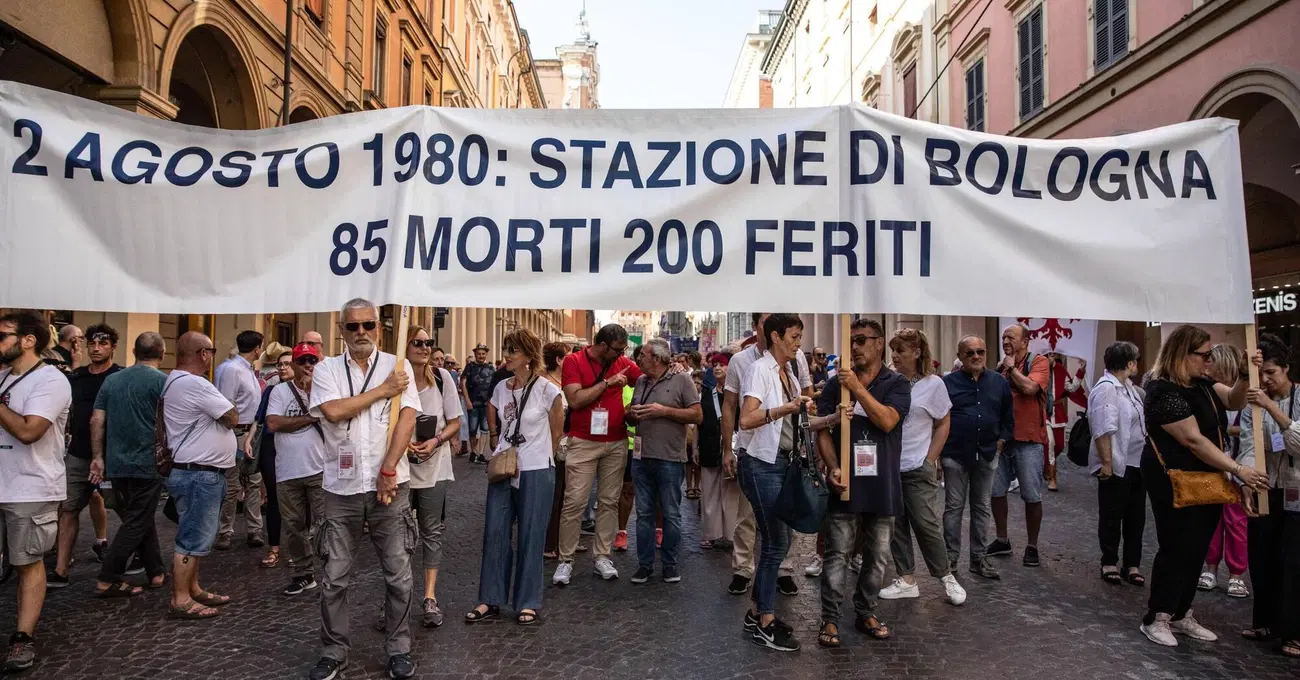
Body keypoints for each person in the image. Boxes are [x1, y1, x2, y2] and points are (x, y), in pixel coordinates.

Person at [306, 298, 421, 680]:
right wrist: (383, 390)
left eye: (368, 325)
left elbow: (407, 419)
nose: (361, 332)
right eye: (353, 326)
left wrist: (388, 467)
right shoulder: (327, 369)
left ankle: (399, 648)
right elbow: (333, 411)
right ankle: (333, 651)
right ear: (341, 330)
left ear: (378, 328)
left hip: (390, 486)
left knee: (398, 575)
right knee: (334, 578)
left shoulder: (397, 365)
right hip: (341, 490)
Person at [1138, 324, 1267, 648]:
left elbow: (1234, 400)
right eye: (1204, 355)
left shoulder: (1203, 384)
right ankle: (1158, 616)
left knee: (1197, 546)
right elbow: (1193, 440)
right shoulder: (1163, 390)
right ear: (1183, 354)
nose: (1210, 361)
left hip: (1207, 478)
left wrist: (1244, 375)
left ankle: (1181, 613)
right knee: (1176, 545)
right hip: (1174, 478)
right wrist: (1238, 469)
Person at [814, 318, 911, 648]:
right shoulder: (834, 385)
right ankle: (830, 617)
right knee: (837, 553)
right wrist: (832, 467)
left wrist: (856, 388)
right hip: (846, 483)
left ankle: (866, 611)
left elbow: (887, 421)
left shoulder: (897, 383)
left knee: (877, 556)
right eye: (850, 341)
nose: (854, 347)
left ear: (878, 343)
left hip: (882, 483)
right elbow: (821, 429)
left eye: (861, 340)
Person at [465, 329, 563, 626]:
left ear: (529, 356)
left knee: (531, 536)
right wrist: (496, 438)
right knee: (495, 531)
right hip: (504, 467)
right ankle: (490, 598)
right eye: (505, 348)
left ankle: (527, 601)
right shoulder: (501, 388)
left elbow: (556, 432)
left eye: (512, 350)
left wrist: (538, 456)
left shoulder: (548, 390)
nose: (506, 355)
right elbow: (496, 414)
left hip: (536, 469)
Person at [0, 312, 72, 673]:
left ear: (28, 340)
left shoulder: (51, 380)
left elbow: (29, 431)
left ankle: (22, 638)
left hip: (30, 486)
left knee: (26, 562)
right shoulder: (2, 376)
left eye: (2, 335)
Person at [736, 313, 812, 652]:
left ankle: (757, 613)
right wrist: (785, 408)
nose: (798, 343)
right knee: (775, 542)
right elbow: (746, 419)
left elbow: (796, 420)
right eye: (794, 336)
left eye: (800, 337)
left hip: (781, 463)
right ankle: (765, 622)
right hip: (760, 464)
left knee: (777, 540)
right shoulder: (759, 370)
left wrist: (832, 417)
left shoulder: (790, 373)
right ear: (776, 337)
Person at [878, 328, 966, 606]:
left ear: (917, 353)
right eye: (893, 350)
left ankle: (946, 577)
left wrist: (930, 459)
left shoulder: (933, 384)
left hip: (917, 465)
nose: (895, 355)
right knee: (896, 525)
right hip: (889, 465)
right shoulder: (887, 381)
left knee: (926, 524)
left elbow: (943, 422)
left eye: (900, 350)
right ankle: (906, 579)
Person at [555, 324, 642, 585]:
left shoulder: (622, 362)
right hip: (583, 441)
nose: (621, 355)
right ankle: (566, 559)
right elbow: (575, 400)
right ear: (603, 345)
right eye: (617, 350)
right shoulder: (574, 361)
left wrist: (672, 369)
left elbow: (647, 377)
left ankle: (602, 555)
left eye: (623, 350)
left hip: (616, 441)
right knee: (574, 501)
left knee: (609, 501)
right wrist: (607, 383)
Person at [161, 331, 238, 621]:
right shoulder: (194, 383)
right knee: (191, 538)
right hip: (199, 474)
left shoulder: (174, 380)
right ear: (203, 354)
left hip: (194, 472)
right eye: (211, 351)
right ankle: (181, 599)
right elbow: (232, 417)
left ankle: (192, 588)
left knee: (196, 535)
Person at [90, 332, 169, 596]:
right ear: (162, 353)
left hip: (117, 462)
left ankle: (156, 572)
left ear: (134, 352)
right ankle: (107, 578)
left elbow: (97, 420)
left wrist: (98, 457)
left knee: (139, 517)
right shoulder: (163, 382)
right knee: (136, 521)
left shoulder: (112, 380)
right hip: (148, 462)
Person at [1239, 334, 1300, 658]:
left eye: (1272, 372)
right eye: (1261, 373)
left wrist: (1271, 407)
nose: (1265, 380)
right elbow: (1248, 445)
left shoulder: (1291, 398)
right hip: (1267, 488)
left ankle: (1293, 632)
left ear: (1286, 369)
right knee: (1261, 557)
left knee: (1292, 561)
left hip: (1297, 491)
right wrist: (1247, 482)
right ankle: (1264, 622)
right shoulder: (1253, 403)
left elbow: (1298, 444)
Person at [49, 324, 122, 589]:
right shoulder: (76, 377)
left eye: (103, 344)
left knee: (126, 510)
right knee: (68, 509)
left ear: (113, 347)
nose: (97, 348)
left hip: (112, 457)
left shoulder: (119, 377)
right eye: (92, 343)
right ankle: (60, 570)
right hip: (79, 455)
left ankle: (141, 559)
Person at [625, 339, 701, 584]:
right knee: (644, 514)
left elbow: (697, 415)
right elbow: (632, 414)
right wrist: (631, 413)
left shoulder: (682, 380)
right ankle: (645, 565)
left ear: (656, 359)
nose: (639, 358)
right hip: (641, 457)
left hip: (670, 458)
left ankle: (669, 564)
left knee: (671, 513)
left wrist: (664, 411)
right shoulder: (641, 381)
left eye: (643, 355)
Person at [942, 335, 1013, 581]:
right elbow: (939, 418)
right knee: (953, 508)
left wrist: (1001, 442)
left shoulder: (999, 382)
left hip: (988, 452)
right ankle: (950, 560)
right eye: (970, 352)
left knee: (982, 507)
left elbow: (1008, 416)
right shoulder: (947, 383)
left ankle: (978, 558)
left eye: (980, 352)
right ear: (960, 356)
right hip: (955, 454)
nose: (976, 356)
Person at [405, 329, 461, 628]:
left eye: (428, 343)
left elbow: (454, 422)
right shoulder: (395, 381)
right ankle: (396, 597)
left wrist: (437, 440)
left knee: (431, 532)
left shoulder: (442, 378)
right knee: (397, 535)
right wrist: (402, 443)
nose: (425, 348)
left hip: (435, 465)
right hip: (401, 466)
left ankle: (429, 597)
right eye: (418, 343)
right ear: (405, 346)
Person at [265, 342, 327, 597]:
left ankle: (332, 572)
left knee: (325, 524)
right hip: (288, 471)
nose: (307, 366)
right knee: (294, 526)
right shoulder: (279, 391)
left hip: (320, 468)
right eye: (302, 361)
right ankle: (304, 574)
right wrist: (309, 418)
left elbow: (331, 416)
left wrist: (312, 392)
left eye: (312, 361)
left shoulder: (324, 389)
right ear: (293, 365)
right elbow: (273, 423)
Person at [988, 324, 1051, 567]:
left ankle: (1032, 546)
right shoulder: (1001, 367)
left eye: (1011, 337)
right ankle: (1002, 539)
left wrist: (1011, 368)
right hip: (1002, 440)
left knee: (1031, 495)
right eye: (1003, 337)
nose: (1005, 341)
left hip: (1028, 440)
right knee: (996, 492)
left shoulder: (1039, 362)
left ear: (1025, 342)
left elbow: (1029, 388)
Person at [1089, 341, 1149, 587]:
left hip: (1137, 462)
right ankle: (1109, 562)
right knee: (1112, 515)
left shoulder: (1129, 388)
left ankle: (1132, 564)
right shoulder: (1107, 388)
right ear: (1129, 363)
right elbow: (1103, 428)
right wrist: (1106, 463)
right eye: (1136, 359)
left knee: (1136, 517)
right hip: (1117, 463)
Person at [1198, 344, 1251, 597]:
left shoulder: (1244, 397)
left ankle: (1236, 573)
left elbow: (1252, 430)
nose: (1207, 367)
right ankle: (1210, 567)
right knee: (1212, 519)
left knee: (1236, 522)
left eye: (1212, 362)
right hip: (1213, 466)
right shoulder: (1208, 393)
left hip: (1238, 466)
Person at [213, 329, 265, 551]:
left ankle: (254, 529)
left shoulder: (247, 369)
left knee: (253, 481)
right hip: (235, 432)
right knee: (232, 484)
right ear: (257, 349)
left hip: (251, 432)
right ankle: (225, 531)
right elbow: (226, 404)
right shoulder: (232, 370)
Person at [254, 344, 294, 569]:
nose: (283, 368)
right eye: (280, 365)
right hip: (271, 446)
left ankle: (298, 547)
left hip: (297, 449)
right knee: (274, 498)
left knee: (299, 499)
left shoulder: (308, 390)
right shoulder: (271, 391)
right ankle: (274, 548)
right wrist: (250, 440)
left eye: (287, 364)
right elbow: (259, 419)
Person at [698, 352, 740, 551]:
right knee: (709, 491)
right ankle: (710, 534)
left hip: (732, 446)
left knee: (732, 492)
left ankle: (732, 534)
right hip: (709, 444)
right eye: (714, 364)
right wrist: (696, 446)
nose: (717, 368)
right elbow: (700, 421)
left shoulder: (739, 392)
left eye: (722, 364)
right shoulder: (707, 392)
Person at [543, 342, 571, 559]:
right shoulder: (544, 383)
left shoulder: (568, 382)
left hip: (570, 444)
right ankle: (549, 542)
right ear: (559, 360)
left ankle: (564, 540)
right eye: (568, 357)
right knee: (553, 494)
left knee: (567, 495)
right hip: (549, 444)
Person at [460, 343, 496, 464]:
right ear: (475, 354)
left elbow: (494, 385)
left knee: (485, 429)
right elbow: (463, 383)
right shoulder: (470, 366)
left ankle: (480, 453)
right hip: (473, 403)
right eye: (479, 354)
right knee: (473, 429)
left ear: (486, 354)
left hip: (486, 403)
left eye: (483, 354)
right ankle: (473, 451)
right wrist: (467, 400)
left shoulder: (490, 368)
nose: (481, 356)